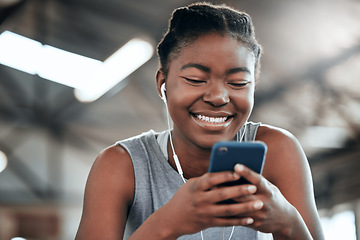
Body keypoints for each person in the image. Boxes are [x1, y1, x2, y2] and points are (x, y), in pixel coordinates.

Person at [75, 2, 325, 240]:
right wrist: (167, 223)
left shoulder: (277, 150)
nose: (218, 97)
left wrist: (289, 222)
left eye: (238, 83)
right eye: (195, 79)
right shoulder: (121, 165)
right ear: (163, 84)